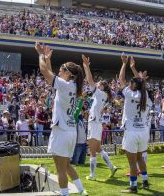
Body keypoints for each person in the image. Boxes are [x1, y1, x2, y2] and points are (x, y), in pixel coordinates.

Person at [35, 41, 88, 196]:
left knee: (60, 168)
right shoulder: (72, 86)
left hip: (62, 130)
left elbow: (45, 73)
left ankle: (64, 193)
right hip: (70, 131)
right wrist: (48, 58)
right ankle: (81, 190)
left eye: (61, 70)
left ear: (68, 74)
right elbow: (50, 77)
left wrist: (40, 55)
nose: (59, 72)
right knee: (66, 166)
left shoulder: (66, 85)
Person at [82, 55, 117, 181]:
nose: (96, 84)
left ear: (102, 86)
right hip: (97, 122)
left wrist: (86, 66)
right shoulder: (103, 95)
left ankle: (92, 175)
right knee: (98, 148)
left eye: (99, 83)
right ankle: (112, 167)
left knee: (92, 150)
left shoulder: (99, 92)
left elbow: (89, 79)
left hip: (93, 121)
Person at [118, 54, 150, 193]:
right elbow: (141, 83)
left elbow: (121, 79)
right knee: (140, 159)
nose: (128, 84)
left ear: (133, 85)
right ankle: (145, 181)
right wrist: (133, 68)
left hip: (131, 131)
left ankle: (133, 186)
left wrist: (124, 64)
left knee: (132, 162)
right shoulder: (145, 95)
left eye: (131, 83)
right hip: (143, 131)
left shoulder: (129, 93)